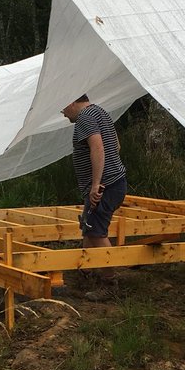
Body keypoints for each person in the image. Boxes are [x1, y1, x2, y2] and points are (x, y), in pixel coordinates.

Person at [61, 94, 127, 292]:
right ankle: (86, 271)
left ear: (71, 101)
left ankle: (109, 282)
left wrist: (96, 184)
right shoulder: (100, 111)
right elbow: (116, 145)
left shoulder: (84, 117)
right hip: (114, 182)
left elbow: (97, 147)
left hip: (104, 186)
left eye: (63, 108)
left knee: (97, 232)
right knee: (89, 227)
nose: (63, 114)